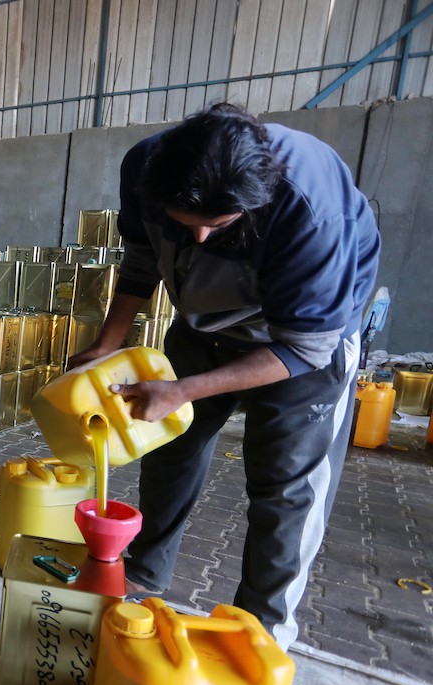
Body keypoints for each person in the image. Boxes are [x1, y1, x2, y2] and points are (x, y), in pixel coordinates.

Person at [70, 103, 379, 649]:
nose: (204, 238)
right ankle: (147, 570)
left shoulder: (310, 208)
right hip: (205, 319)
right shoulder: (145, 168)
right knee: (170, 441)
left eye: (220, 224)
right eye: (190, 225)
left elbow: (305, 345)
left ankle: (261, 627)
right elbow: (142, 260)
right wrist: (108, 342)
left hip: (303, 342)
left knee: (284, 481)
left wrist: (185, 389)